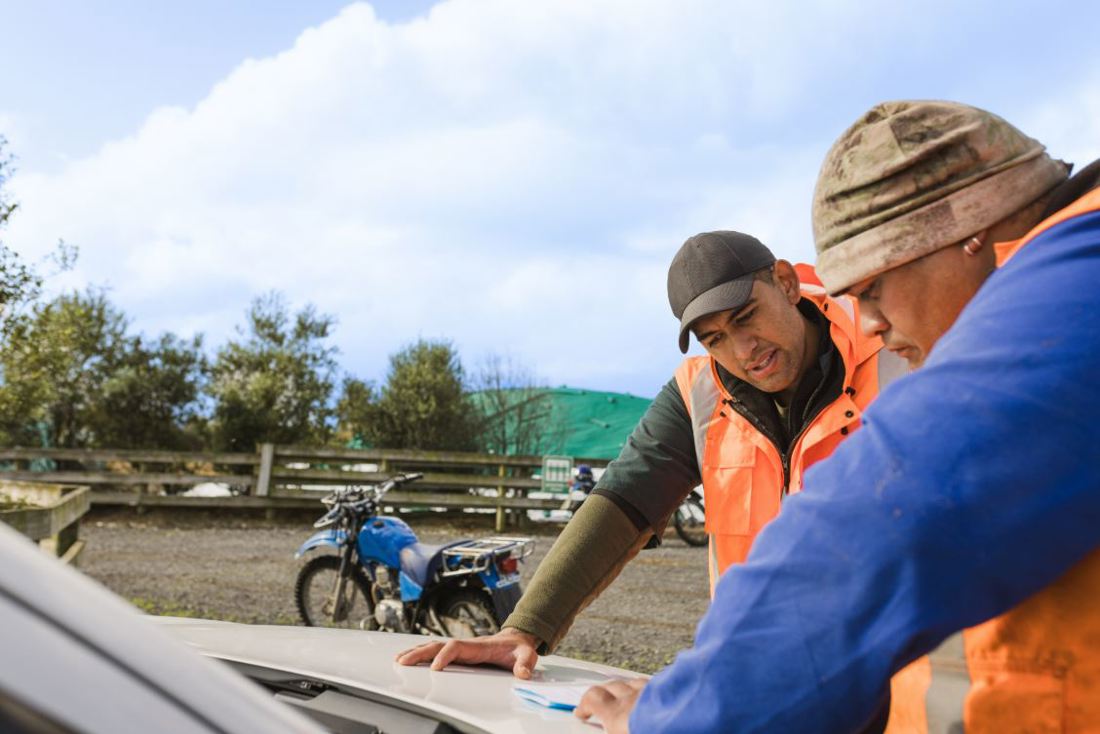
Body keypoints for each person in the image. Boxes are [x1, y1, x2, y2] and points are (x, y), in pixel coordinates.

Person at [575, 100, 1100, 733]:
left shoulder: (1076, 283)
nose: (872, 322)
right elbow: (626, 493)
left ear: (968, 230)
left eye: (874, 288)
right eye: (715, 338)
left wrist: (675, 715)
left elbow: (888, 518)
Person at [397, 231, 899, 676]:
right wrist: (524, 629)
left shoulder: (899, 350)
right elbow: (621, 500)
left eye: (747, 317)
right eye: (715, 338)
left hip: (890, 679)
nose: (744, 349)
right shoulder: (700, 394)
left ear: (786, 283)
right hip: (759, 680)